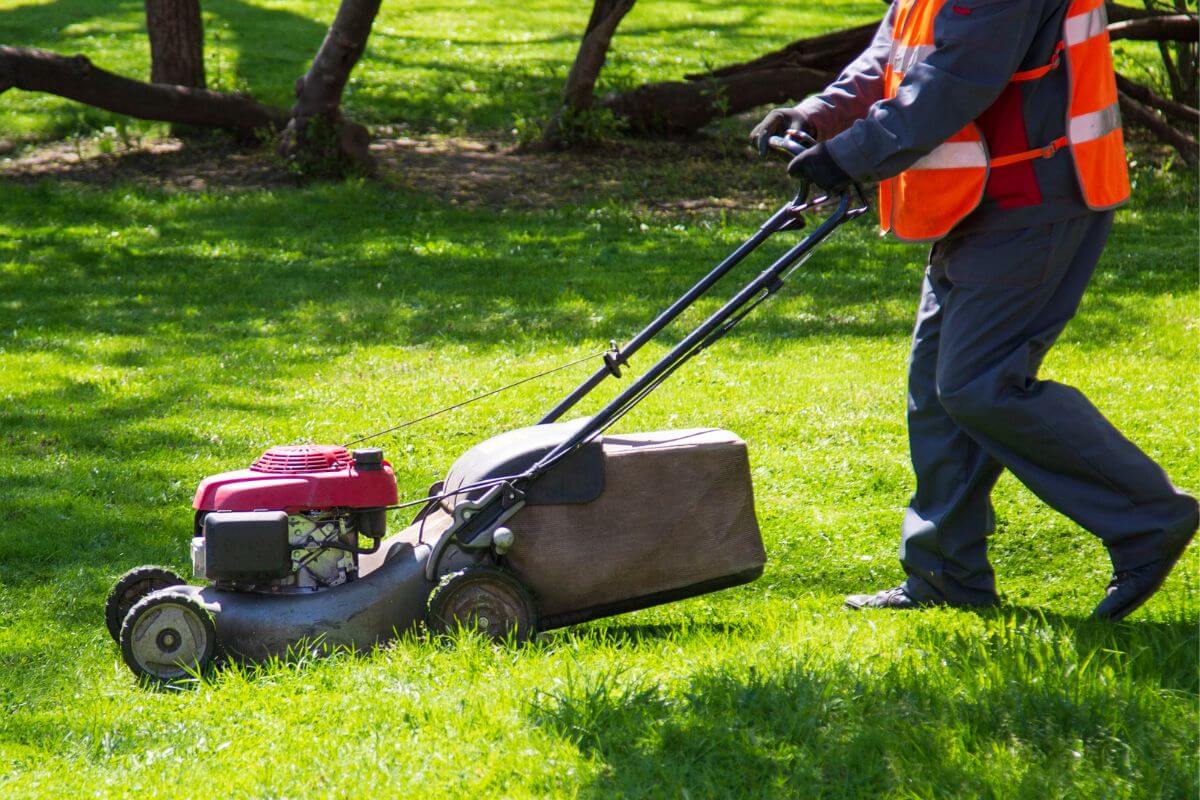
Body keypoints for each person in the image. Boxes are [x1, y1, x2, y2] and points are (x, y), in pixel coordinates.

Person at [750, 0, 1197, 620]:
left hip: (1035, 196)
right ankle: (945, 574)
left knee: (978, 383)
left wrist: (851, 154)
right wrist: (819, 114)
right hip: (972, 203)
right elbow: (898, 51)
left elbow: (958, 75)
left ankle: (1149, 517)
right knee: (937, 391)